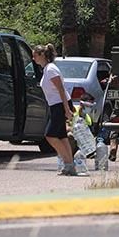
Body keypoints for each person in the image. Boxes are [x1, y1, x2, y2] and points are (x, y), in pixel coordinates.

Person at [32, 44, 84, 176]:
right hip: (55, 105)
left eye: (35, 55)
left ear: (42, 55)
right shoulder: (47, 69)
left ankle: (68, 163)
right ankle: (69, 165)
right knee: (61, 136)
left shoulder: (50, 69)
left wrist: (67, 109)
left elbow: (61, 89)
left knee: (50, 135)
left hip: (60, 105)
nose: (33, 58)